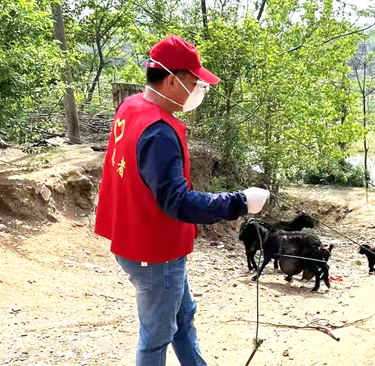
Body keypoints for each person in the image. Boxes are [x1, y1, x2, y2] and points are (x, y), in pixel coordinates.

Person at [94, 34, 270, 366]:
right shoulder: (159, 131)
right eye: (195, 82)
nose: (200, 90)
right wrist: (240, 201)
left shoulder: (132, 105)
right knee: (156, 337)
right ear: (173, 81)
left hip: (142, 239)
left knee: (182, 317)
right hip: (153, 252)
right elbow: (179, 202)